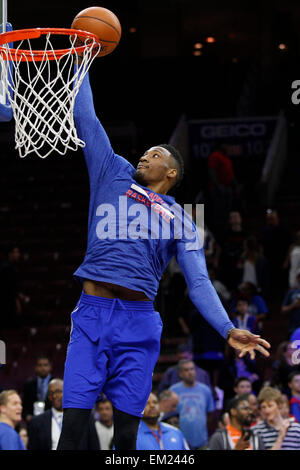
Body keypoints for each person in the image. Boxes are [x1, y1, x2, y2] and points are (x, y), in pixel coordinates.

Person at [56, 59, 270, 451]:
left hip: (138, 324)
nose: (144, 157)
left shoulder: (184, 221)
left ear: (170, 173)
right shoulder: (112, 171)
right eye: (146, 153)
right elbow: (85, 115)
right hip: (91, 313)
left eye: (154, 155)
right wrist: (81, 57)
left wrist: (227, 328)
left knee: (125, 437)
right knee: (72, 429)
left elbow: (199, 282)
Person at [170, 359, 216, 449]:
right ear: (180, 374)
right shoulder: (173, 390)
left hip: (202, 440)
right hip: (180, 440)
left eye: (192, 369)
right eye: (186, 370)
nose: (190, 372)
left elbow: (210, 413)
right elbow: (169, 414)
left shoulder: (205, 390)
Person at [27, 378, 64, 450]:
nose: (54, 396)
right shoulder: (36, 422)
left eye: (58, 391)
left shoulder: (81, 418)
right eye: (51, 393)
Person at [22, 355, 53, 422]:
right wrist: (27, 416)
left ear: (50, 367)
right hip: (33, 421)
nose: (43, 368)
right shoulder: (28, 385)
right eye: (40, 365)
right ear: (35, 367)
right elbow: (24, 405)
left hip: (51, 419)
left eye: (45, 365)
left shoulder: (56, 384)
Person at [281, 271, 300, 336]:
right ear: (297, 278)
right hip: (294, 328)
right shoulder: (292, 292)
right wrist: (294, 305)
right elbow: (283, 310)